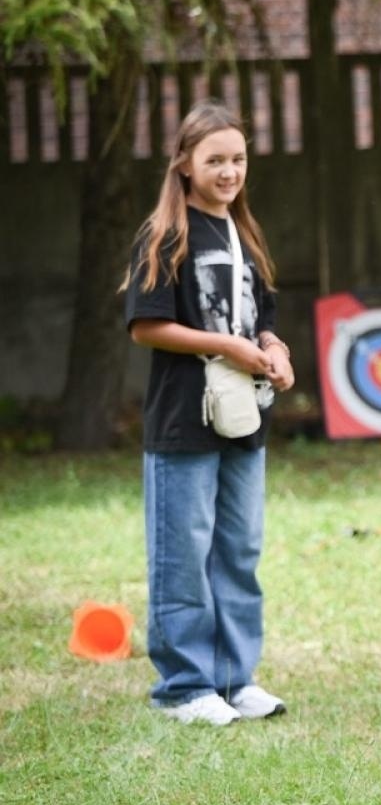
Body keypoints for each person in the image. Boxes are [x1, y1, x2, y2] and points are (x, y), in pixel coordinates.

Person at [121, 100, 294, 727]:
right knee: (183, 557)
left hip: (245, 420)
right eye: (215, 159)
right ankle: (185, 687)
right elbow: (146, 326)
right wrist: (225, 346)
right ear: (184, 164)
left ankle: (233, 679)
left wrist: (273, 350)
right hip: (182, 423)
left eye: (238, 159)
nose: (229, 171)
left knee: (239, 552)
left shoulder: (246, 236)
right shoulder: (165, 234)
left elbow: (262, 318)